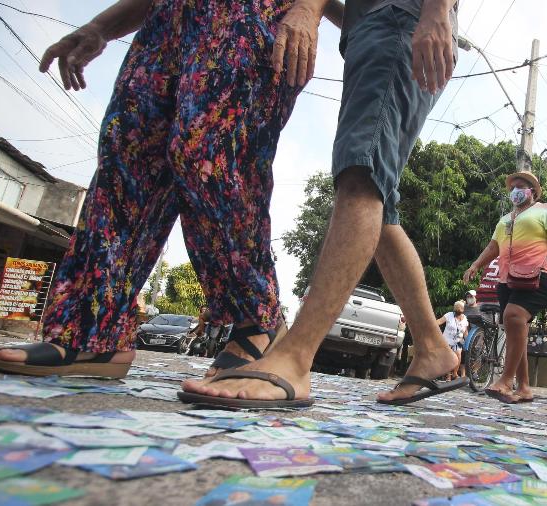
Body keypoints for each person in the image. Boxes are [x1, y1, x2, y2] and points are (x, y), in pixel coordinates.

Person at [0, 0, 343, 379]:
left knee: (208, 153)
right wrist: (100, 26)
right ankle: (91, 332)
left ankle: (257, 321)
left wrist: (308, 7)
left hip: (257, 13)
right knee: (126, 154)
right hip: (168, 19)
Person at [179, 0, 466, 408]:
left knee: (361, 174)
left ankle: (295, 356)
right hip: (377, 25)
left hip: (402, 16)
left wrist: (436, 11)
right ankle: (432, 347)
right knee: (378, 198)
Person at [463, 171, 547, 403]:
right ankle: (523, 388)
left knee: (513, 316)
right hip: (508, 281)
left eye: (521, 186)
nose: (516, 190)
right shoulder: (504, 220)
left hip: (542, 276)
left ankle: (505, 380)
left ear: (532, 191)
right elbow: (493, 247)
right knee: (515, 330)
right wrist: (475, 265)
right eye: (513, 186)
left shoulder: (544, 211)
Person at [436, 300, 468, 379]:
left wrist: (467, 341)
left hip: (458, 341)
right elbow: (439, 321)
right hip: (447, 341)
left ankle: (454, 373)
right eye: (456, 308)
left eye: (460, 308)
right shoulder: (449, 315)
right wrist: (430, 323)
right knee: (448, 358)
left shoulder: (465, 319)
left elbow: (465, 331)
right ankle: (448, 375)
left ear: (463, 309)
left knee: (458, 357)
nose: (457, 309)